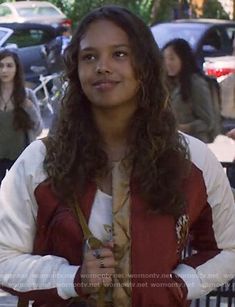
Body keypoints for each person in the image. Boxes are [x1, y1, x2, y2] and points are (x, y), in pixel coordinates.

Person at [0, 5, 235, 307]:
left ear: (145, 66)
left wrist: (175, 287)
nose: (102, 66)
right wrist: (72, 278)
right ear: (76, 70)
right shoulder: (39, 161)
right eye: (89, 56)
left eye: (120, 54)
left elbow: (227, 248)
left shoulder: (192, 161)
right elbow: (4, 257)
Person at [162, 38, 219, 143]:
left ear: (183, 59)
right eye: (165, 59)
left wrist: (184, 128)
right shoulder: (165, 84)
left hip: (194, 144)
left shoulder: (196, 83)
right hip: (173, 144)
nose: (167, 63)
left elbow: (208, 121)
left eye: (172, 58)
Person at [0, 49, 43, 184]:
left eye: (9, 65)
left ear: (16, 69)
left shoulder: (27, 95)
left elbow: (38, 129)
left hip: (20, 157)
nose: (4, 70)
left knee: (17, 199)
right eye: (0, 66)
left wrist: (29, 108)